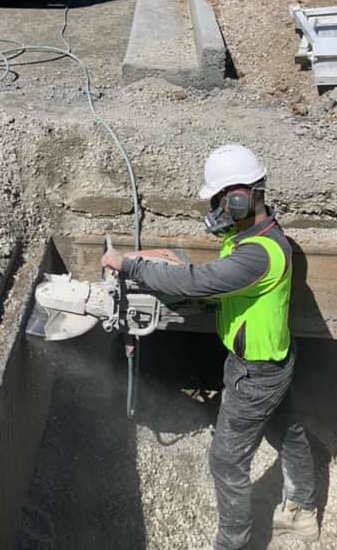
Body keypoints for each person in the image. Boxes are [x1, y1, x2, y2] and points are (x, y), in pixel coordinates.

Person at [101, 144, 318, 550]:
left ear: (240, 197)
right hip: (274, 360)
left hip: (255, 373)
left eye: (220, 199)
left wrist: (129, 265)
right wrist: (165, 262)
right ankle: (303, 514)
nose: (217, 208)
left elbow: (196, 283)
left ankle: (232, 543)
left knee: (226, 459)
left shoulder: (257, 253)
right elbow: (212, 279)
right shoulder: (256, 235)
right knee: (286, 429)